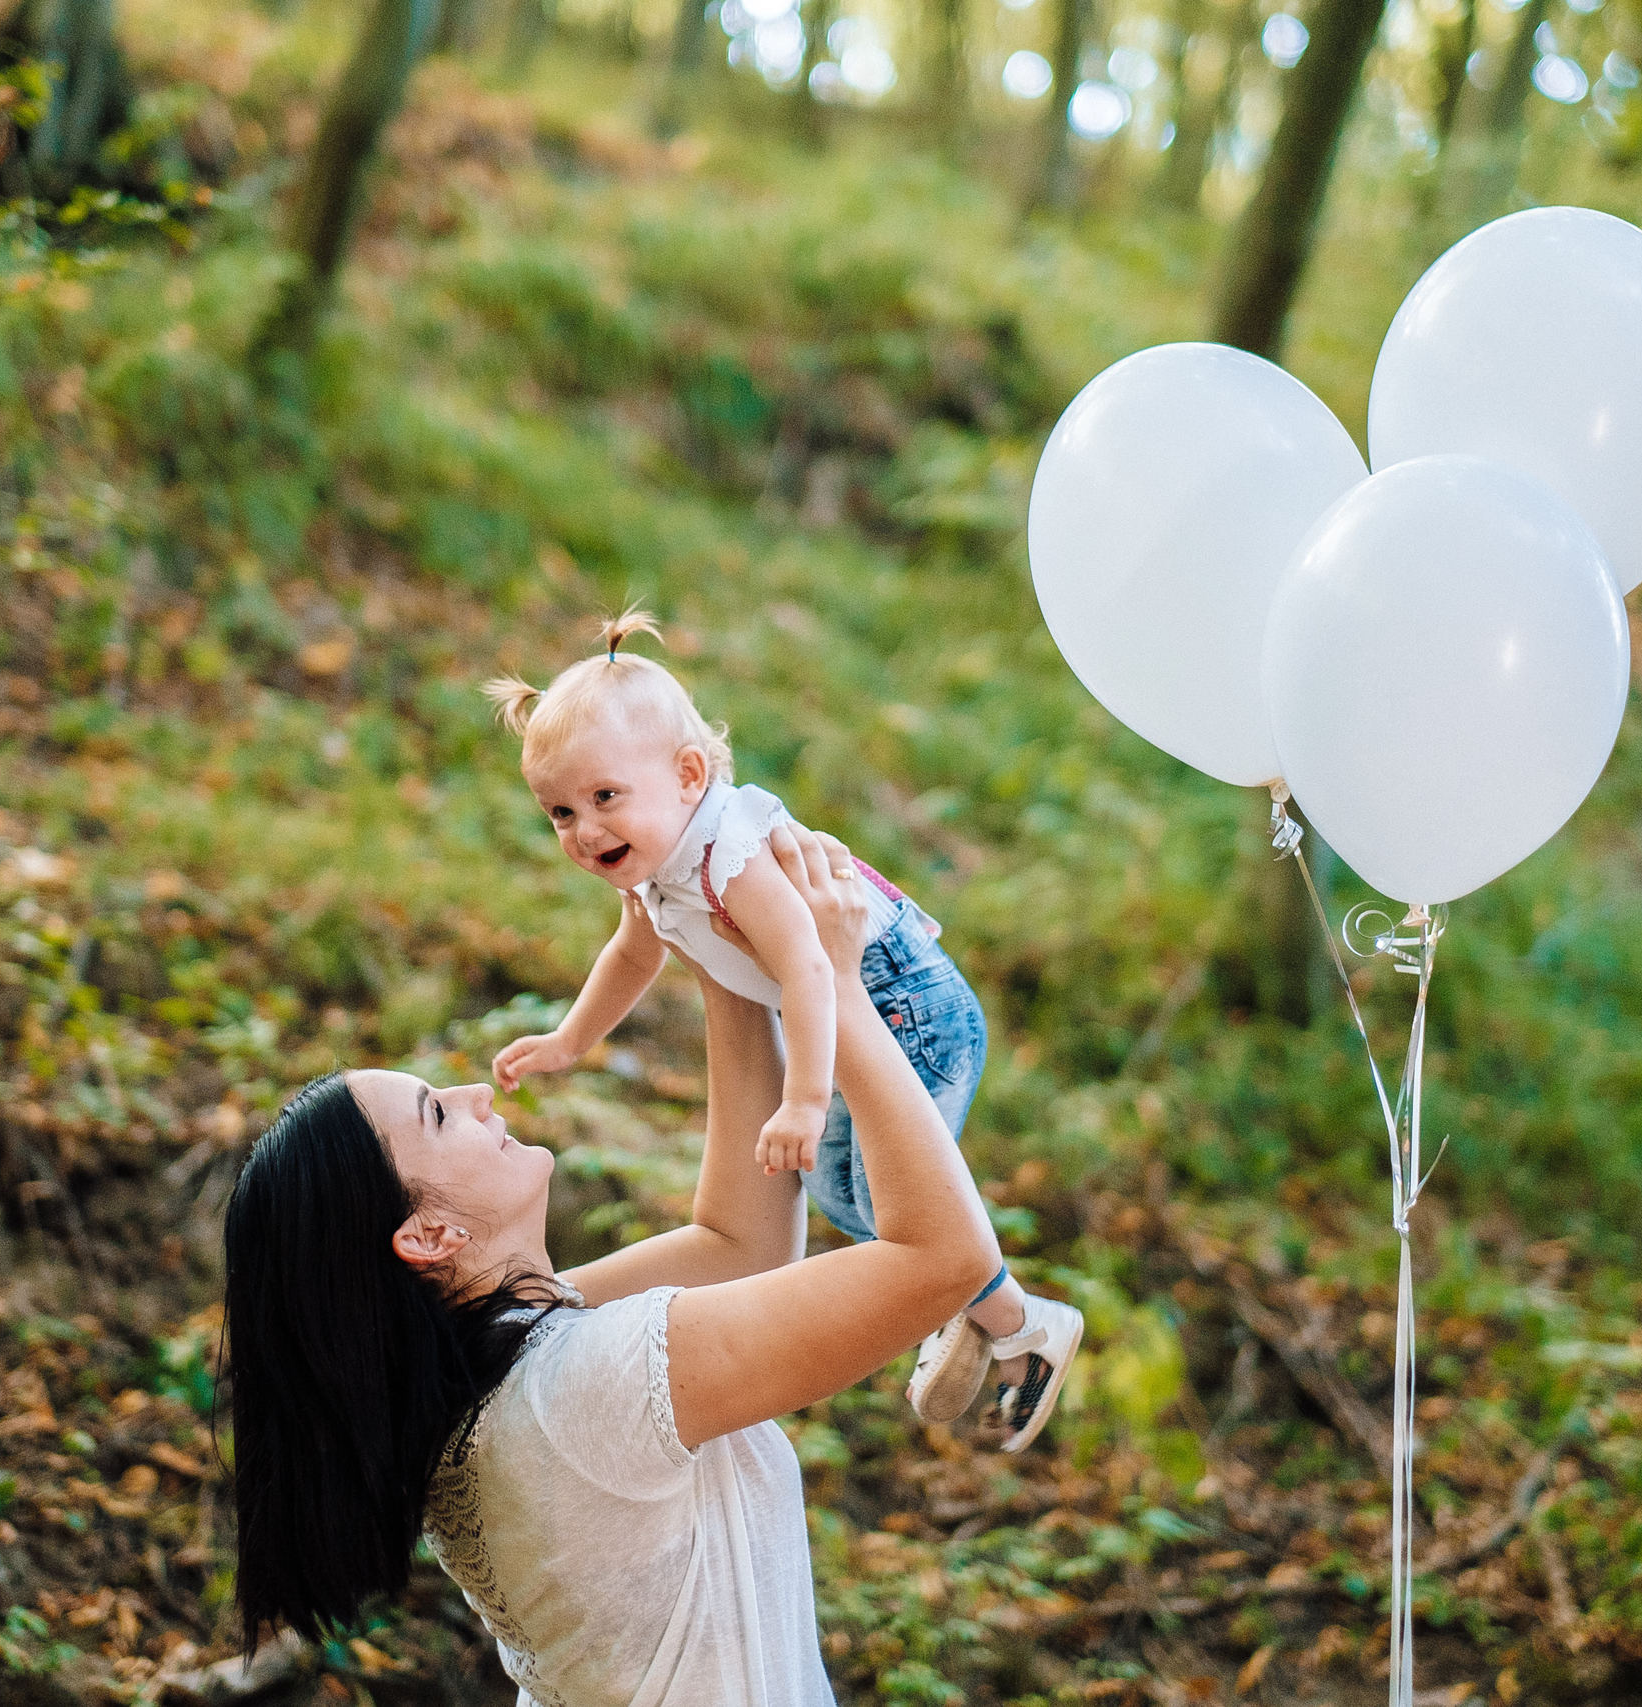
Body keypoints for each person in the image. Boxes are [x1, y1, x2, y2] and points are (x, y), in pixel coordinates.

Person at [222, 828, 1007, 1702]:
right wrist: (839, 984)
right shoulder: (581, 1389)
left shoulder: (506, 1359)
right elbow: (944, 1258)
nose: (477, 1093)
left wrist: (720, 948)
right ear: (429, 1236)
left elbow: (737, 1247)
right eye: (438, 1115)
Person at [479, 610, 1082, 1445]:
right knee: (837, 1192)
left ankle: (1018, 1321)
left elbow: (808, 964)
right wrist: (568, 1039)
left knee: (882, 1195)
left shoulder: (728, 849)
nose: (585, 831)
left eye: (604, 797)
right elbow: (632, 954)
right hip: (835, 1025)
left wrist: (800, 1102)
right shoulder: (659, 864)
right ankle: (1005, 1319)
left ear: (689, 774)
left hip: (907, 1006)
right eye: (559, 813)